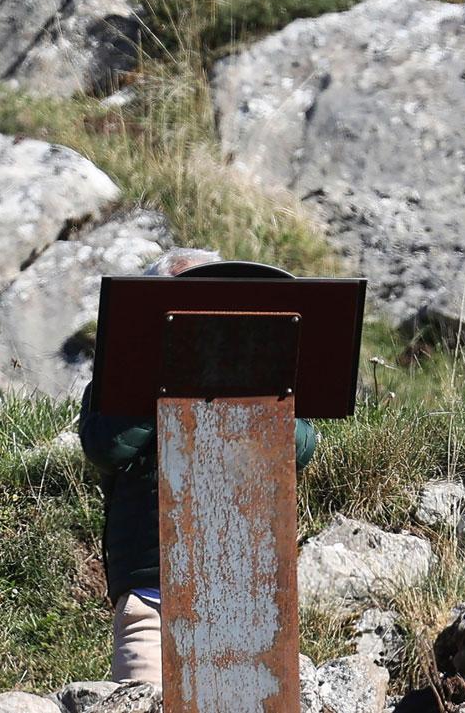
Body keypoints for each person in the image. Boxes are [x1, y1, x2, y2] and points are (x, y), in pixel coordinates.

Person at [77, 251, 319, 685]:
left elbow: (300, 445)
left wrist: (247, 386)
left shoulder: (258, 376)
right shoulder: (118, 380)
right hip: (153, 600)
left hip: (245, 598)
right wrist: (168, 380)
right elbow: (106, 447)